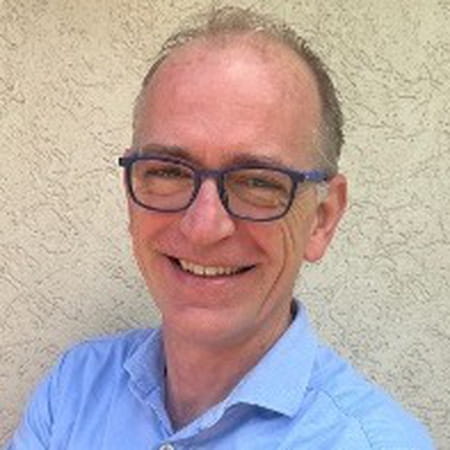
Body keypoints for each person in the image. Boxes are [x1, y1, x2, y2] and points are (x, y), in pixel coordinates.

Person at [7, 6, 434, 450]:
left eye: (258, 182)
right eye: (168, 171)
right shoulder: (74, 391)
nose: (203, 228)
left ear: (322, 219)